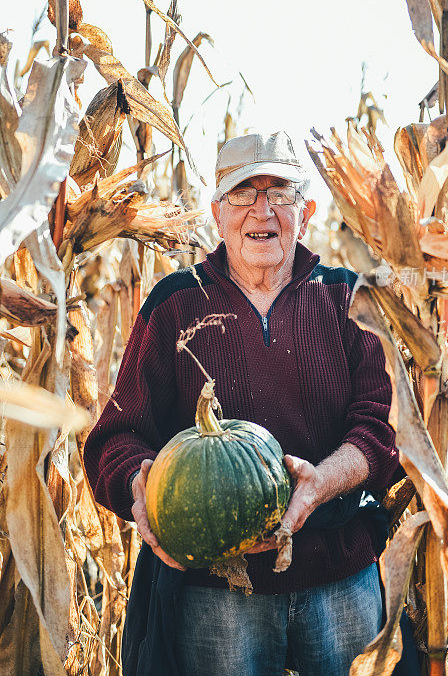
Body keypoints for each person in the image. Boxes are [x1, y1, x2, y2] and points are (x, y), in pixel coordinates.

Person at [84, 130, 400, 676]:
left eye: (279, 192)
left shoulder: (349, 299)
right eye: (242, 193)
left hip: (340, 576)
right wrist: (142, 486)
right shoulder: (176, 305)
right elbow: (117, 436)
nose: (263, 210)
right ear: (216, 212)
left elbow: (385, 427)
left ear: (306, 209)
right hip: (217, 590)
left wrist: (322, 482)